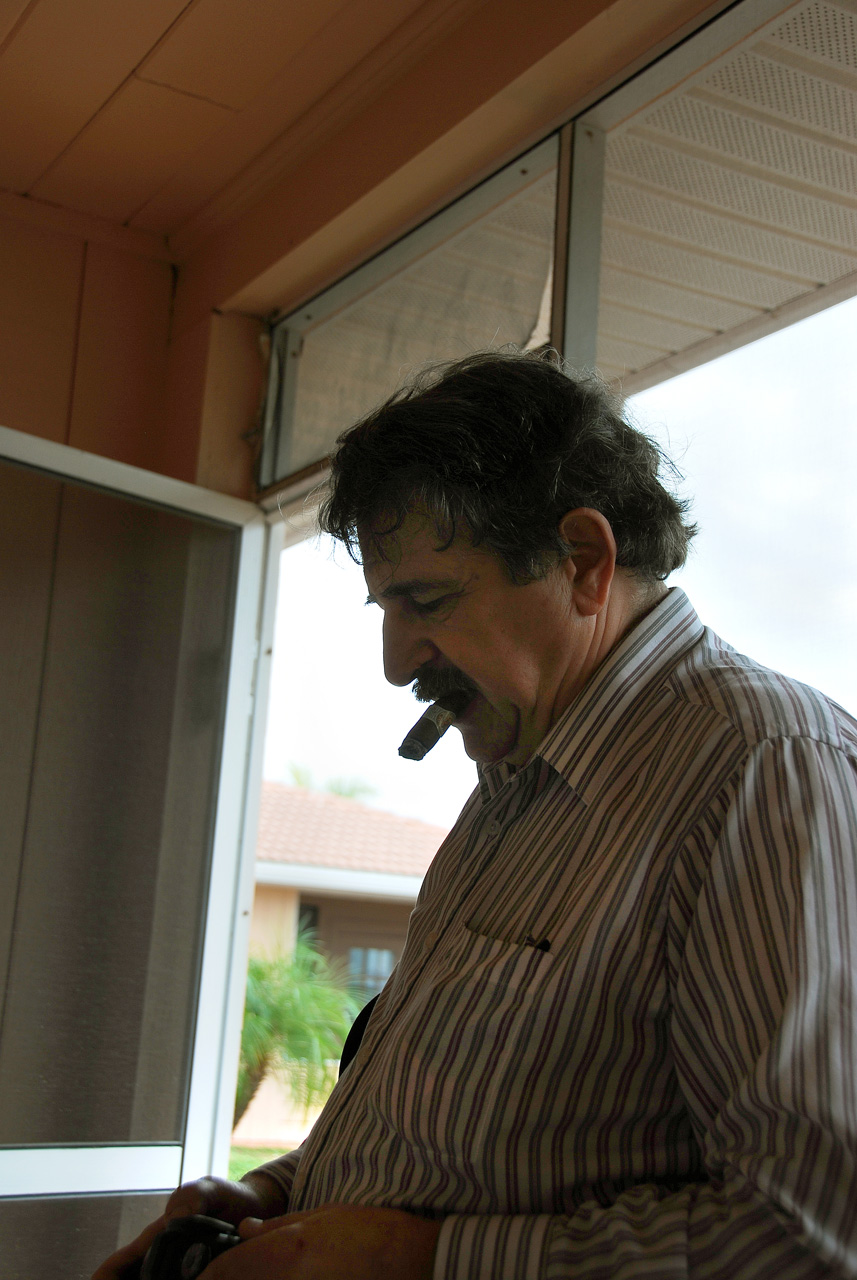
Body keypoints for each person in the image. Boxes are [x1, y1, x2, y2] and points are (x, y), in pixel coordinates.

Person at [95, 351, 857, 1279]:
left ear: (583, 563)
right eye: (385, 608)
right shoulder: (514, 781)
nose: (394, 663)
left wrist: (427, 1262)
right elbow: (457, 1136)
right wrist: (279, 1196)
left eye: (427, 601)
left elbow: (811, 1232)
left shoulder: (765, 767)